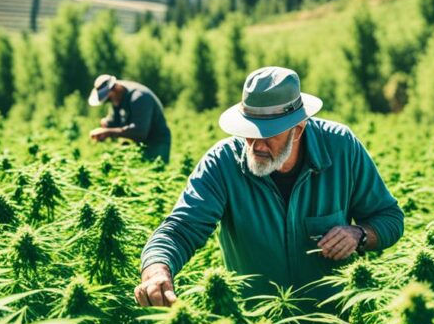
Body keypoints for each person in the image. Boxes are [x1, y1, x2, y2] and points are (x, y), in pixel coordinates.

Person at [135, 67, 404, 308]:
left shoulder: (341, 148)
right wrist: (157, 269)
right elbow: (181, 228)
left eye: (268, 133)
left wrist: (359, 234)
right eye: (249, 131)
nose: (255, 144)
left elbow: (389, 218)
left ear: (298, 129)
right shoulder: (223, 162)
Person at [88, 74, 171, 164]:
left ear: (115, 89)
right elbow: (114, 120)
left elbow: (139, 132)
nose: (110, 102)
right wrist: (106, 125)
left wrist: (108, 132)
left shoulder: (139, 97)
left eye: (109, 99)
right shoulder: (117, 98)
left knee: (156, 172)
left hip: (157, 143)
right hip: (138, 144)